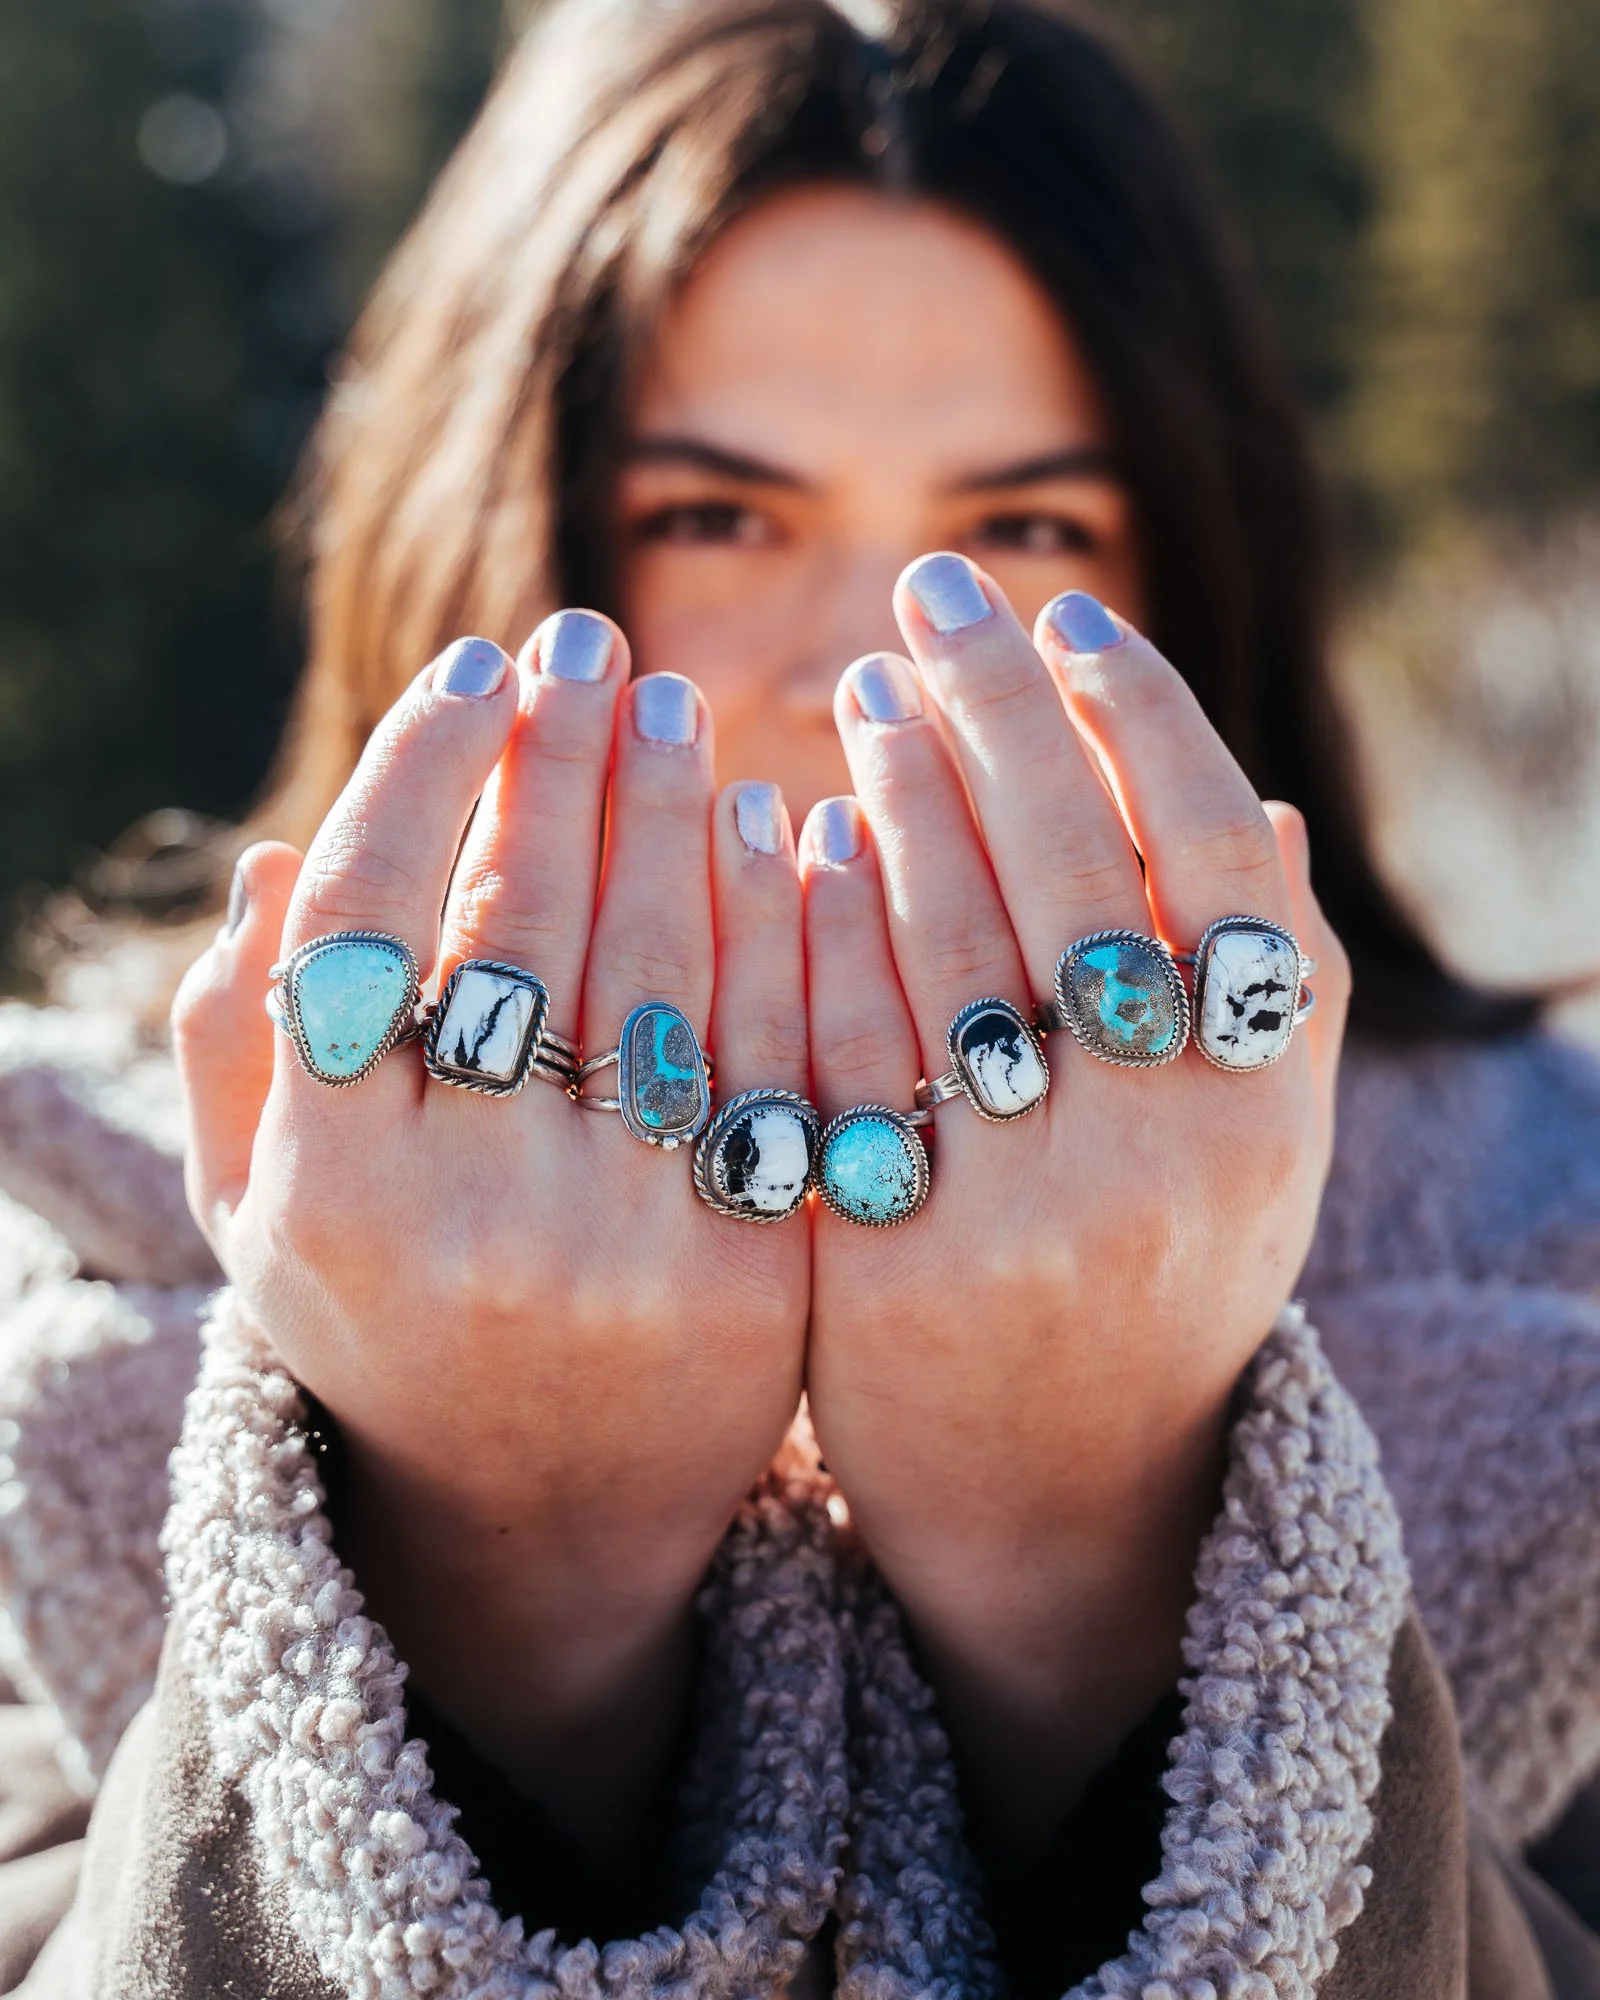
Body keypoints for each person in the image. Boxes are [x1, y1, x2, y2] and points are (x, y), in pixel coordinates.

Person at [0, 0, 1596, 1993]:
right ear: (479, 553)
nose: (864, 662)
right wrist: (495, 1569)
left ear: (1191, 589)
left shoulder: (1557, 1264)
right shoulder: (64, 1260)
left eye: (1017, 532)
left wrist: (1105, 1550)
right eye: (714, 518)